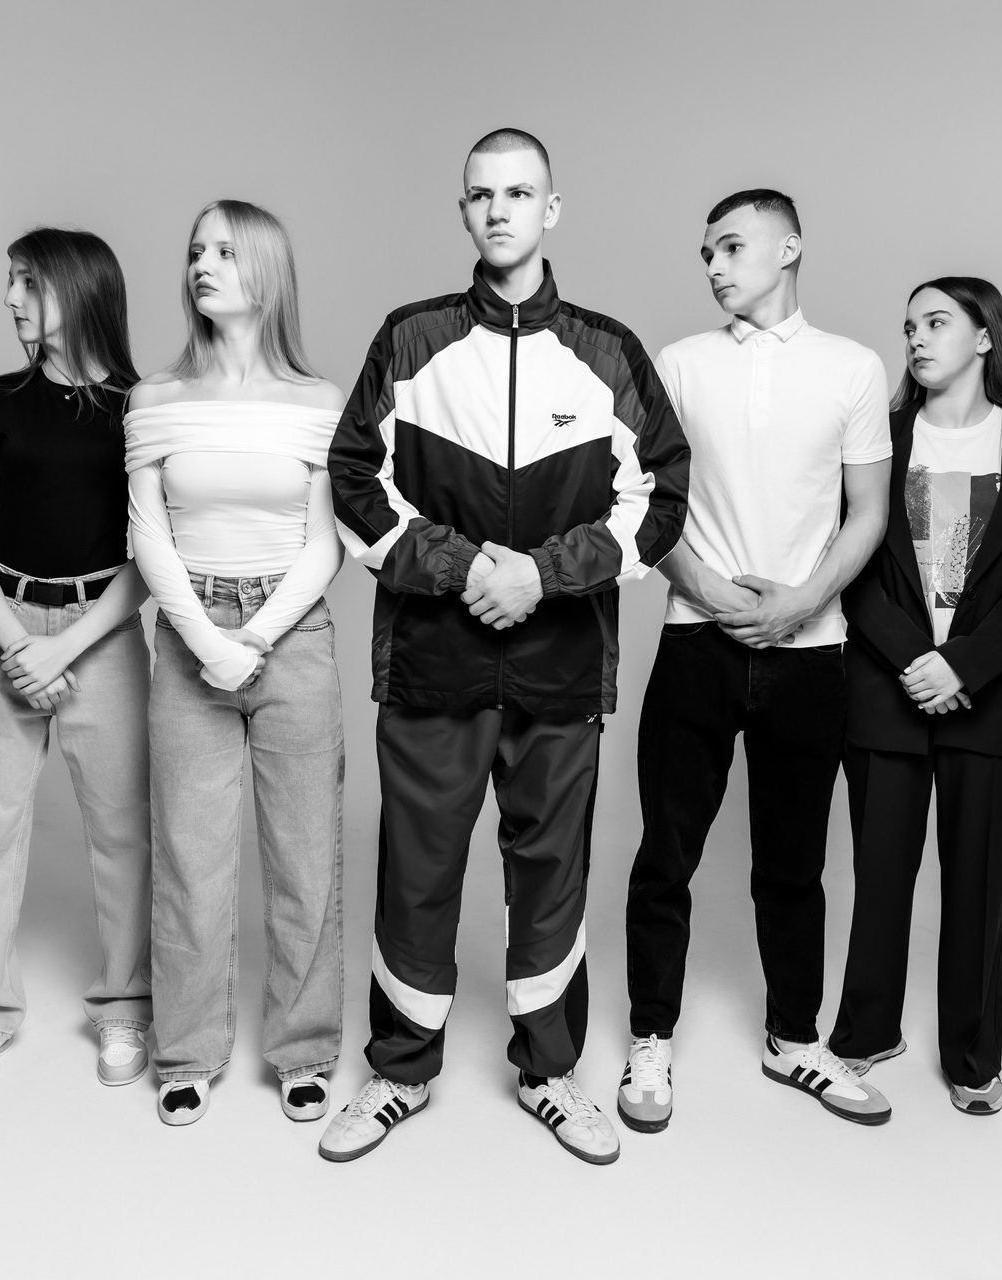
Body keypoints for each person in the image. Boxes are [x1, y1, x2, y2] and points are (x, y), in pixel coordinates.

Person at [319, 128, 691, 1166]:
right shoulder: (410, 339)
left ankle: (550, 1072)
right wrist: (460, 565)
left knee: (552, 875)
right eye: (482, 194)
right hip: (432, 663)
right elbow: (352, 479)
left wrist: (544, 573)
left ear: (551, 209)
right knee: (417, 871)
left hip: (560, 667)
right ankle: (400, 1072)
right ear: (463, 212)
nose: (499, 210)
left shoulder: (609, 351)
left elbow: (661, 497)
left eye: (519, 193)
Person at [619, 190, 895, 1134]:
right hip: (695, 643)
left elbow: (869, 512)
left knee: (794, 865)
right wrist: (705, 588)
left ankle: (794, 1039)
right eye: (706, 252)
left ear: (790, 247)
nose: (713, 266)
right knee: (666, 857)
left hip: (812, 653)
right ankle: (649, 1038)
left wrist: (801, 601)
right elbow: (644, 503)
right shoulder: (679, 363)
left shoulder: (853, 368)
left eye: (732, 247)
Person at [124, 200, 347, 1128]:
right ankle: (186, 1053)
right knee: (190, 856)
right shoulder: (155, 399)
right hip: (189, 634)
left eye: (223, 250)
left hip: (292, 638)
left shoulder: (320, 403)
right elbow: (148, 533)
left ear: (266, 270)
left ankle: (305, 1050)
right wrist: (206, 640)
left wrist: (254, 639)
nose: (201, 265)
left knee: (306, 857)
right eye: (194, 252)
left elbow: (327, 543)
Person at [829, 277, 1002, 1115]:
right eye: (909, 326)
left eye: (937, 323)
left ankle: (972, 1056)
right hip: (887, 692)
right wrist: (915, 660)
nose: (917, 339)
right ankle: (865, 1031)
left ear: (984, 337)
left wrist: (963, 665)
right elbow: (850, 559)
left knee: (977, 887)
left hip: (994, 704)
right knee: (880, 876)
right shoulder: (880, 436)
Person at [0, 227, 153, 1097]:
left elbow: (154, 555)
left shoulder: (143, 408)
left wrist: (67, 644)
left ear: (77, 288)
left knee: (125, 829)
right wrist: (21, 644)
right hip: (1, 626)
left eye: (27, 282)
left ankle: (127, 1004)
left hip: (102, 631)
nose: (10, 298)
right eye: (11, 282)